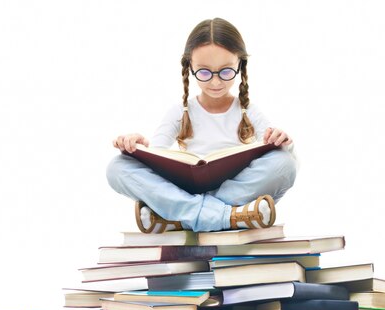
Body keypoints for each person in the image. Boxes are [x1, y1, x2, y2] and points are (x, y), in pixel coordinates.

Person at [107, 17, 297, 233]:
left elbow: (280, 161)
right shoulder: (180, 111)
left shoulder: (249, 111)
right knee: (117, 167)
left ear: (240, 65)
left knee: (285, 163)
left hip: (231, 190)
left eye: (226, 71)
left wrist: (282, 141)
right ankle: (228, 216)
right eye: (204, 72)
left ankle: (180, 215)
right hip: (186, 188)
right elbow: (158, 157)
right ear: (190, 67)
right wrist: (139, 148)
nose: (215, 82)